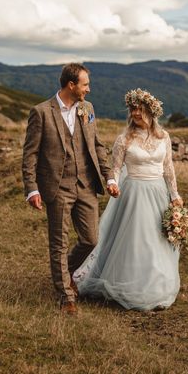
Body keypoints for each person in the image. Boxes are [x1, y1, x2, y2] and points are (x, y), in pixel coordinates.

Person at [22, 63, 119, 316]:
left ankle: (62, 273)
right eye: (85, 84)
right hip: (57, 187)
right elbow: (30, 155)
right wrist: (32, 190)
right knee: (59, 242)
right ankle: (65, 295)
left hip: (86, 185)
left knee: (91, 239)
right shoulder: (41, 112)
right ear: (71, 85)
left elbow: (97, 145)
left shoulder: (87, 109)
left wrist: (108, 177)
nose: (89, 89)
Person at [73, 88, 183, 311]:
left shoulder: (164, 137)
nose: (135, 114)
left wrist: (174, 195)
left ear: (151, 113)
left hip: (158, 193)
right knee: (136, 239)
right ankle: (127, 283)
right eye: (133, 110)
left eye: (140, 110)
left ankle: (155, 283)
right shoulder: (124, 139)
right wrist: (112, 183)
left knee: (157, 238)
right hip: (134, 193)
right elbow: (114, 168)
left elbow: (168, 168)